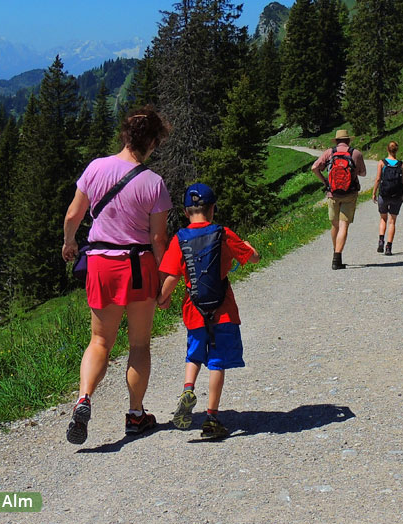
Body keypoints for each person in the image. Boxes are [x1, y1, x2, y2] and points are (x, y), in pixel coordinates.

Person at [61, 106, 171, 444]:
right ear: (152, 142)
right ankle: (136, 415)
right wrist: (166, 280)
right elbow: (158, 239)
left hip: (100, 264)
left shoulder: (95, 168)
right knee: (138, 343)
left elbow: (73, 214)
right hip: (138, 266)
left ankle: (84, 398)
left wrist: (69, 243)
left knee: (99, 341)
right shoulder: (154, 183)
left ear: (125, 135)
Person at [157, 183, 260, 439]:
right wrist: (248, 246)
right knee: (217, 363)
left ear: (185, 211)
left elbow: (171, 276)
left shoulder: (179, 238)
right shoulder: (223, 233)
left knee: (193, 356)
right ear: (212, 209)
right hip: (222, 310)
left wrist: (162, 298)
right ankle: (212, 417)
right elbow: (253, 257)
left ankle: (188, 389)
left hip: (194, 310)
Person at [312, 129, 367, 269]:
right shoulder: (356, 153)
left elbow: (314, 168)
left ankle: (336, 253)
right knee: (344, 225)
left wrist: (325, 181)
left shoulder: (329, 153)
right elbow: (364, 173)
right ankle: (337, 258)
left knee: (335, 225)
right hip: (350, 194)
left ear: (336, 141)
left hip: (333, 194)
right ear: (348, 140)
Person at [372, 141, 403, 256]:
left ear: (387, 150)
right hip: (396, 195)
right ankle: (388, 247)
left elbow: (377, 179)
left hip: (384, 194)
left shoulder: (382, 163)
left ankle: (381, 240)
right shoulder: (401, 164)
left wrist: (374, 192)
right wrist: (402, 194)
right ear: (397, 150)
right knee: (392, 222)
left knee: (383, 218)